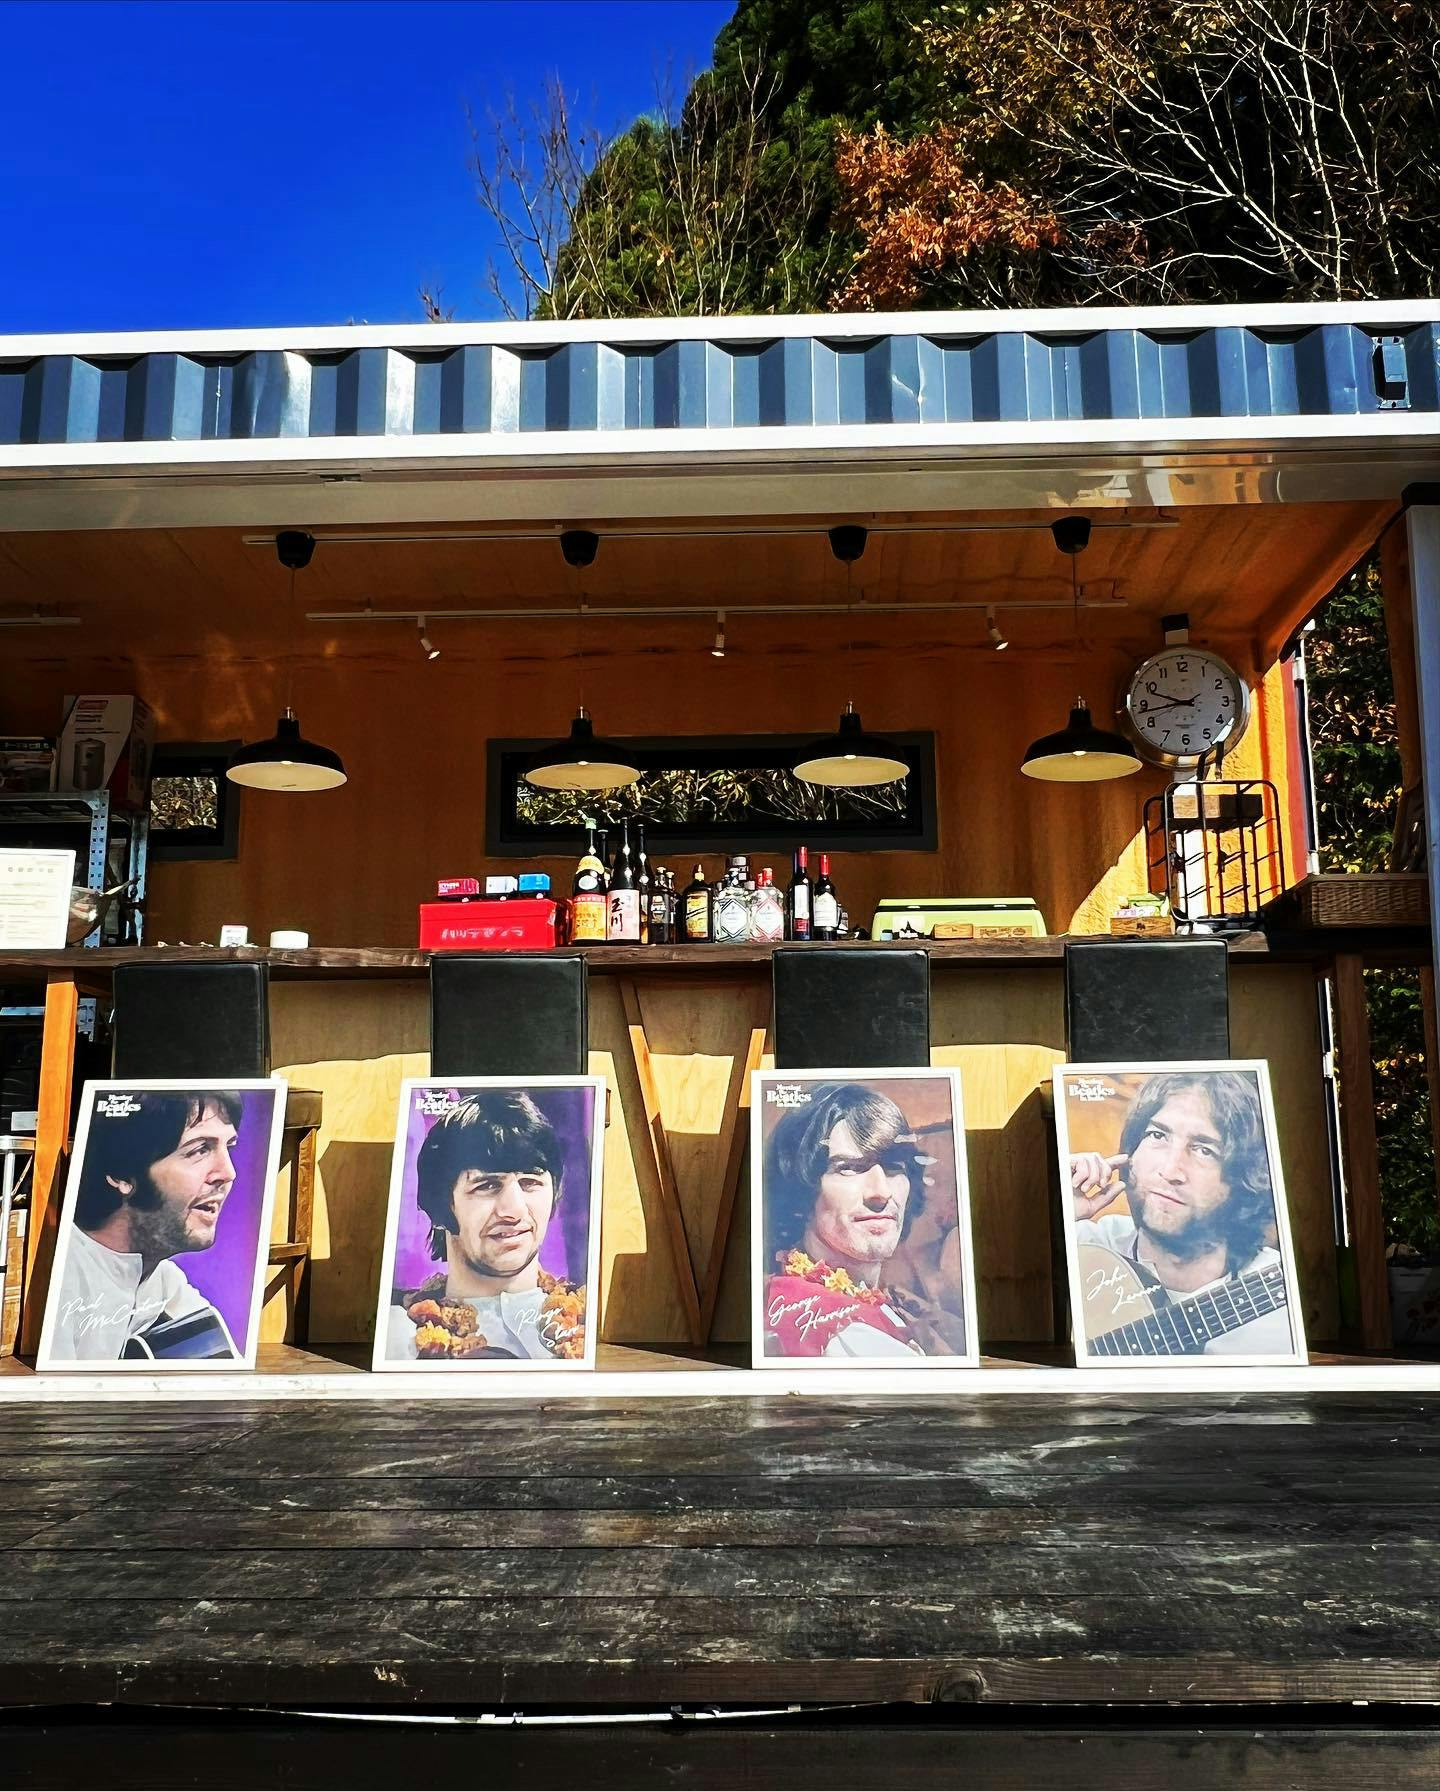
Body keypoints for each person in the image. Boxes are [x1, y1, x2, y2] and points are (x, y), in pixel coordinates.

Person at [1069, 1070, 1292, 1355]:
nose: (1170, 1170)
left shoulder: (1281, 1302)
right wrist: (1061, 1209)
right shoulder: (1085, 1247)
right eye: (1157, 1135)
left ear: (1243, 1178)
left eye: (1204, 1150)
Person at [762, 1081, 960, 1359]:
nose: (881, 1192)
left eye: (894, 1167)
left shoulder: (887, 1304)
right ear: (801, 1188)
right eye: (849, 1168)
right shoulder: (844, 1333)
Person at [387, 1090, 583, 1361]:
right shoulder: (398, 1337)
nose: (514, 1211)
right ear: (441, 1206)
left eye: (530, 1182)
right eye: (487, 1186)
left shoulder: (588, 1320)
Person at [48, 1089, 243, 1361]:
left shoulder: (163, 1279)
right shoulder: (62, 1274)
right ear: (122, 1175)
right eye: (199, 1150)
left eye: (228, 1147)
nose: (228, 1173)